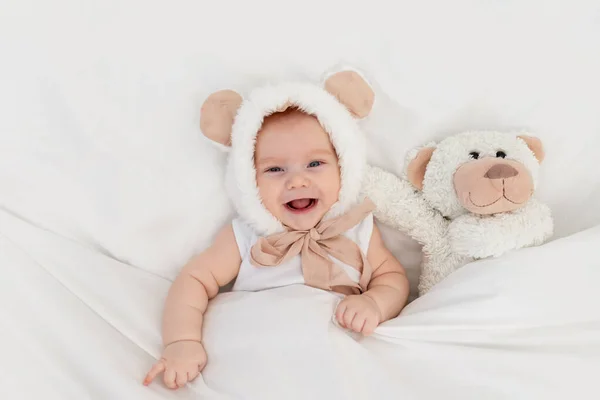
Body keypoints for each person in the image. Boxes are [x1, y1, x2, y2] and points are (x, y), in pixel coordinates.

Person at [143, 71, 410, 390]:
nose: (296, 181)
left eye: (315, 164)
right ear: (248, 179)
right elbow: (194, 280)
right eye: (274, 169)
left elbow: (392, 278)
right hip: (258, 355)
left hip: (333, 359)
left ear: (344, 168)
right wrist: (182, 341)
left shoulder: (356, 229)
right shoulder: (247, 235)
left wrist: (375, 303)